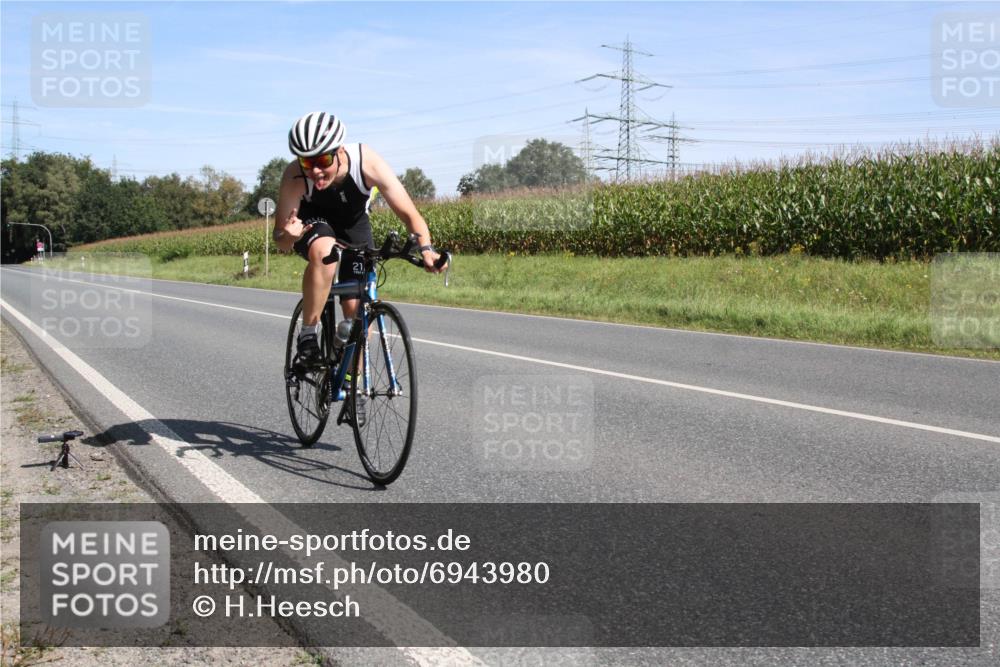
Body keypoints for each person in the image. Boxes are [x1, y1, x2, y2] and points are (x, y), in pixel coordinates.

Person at [273, 112, 444, 368]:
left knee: (356, 314)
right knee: (325, 251)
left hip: (353, 224)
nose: (316, 171)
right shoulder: (294, 175)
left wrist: (427, 249)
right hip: (313, 222)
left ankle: (353, 390)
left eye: (322, 160)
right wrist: (289, 234)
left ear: (340, 151)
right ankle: (308, 335)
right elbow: (281, 242)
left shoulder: (366, 162)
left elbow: (410, 214)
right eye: (308, 164)